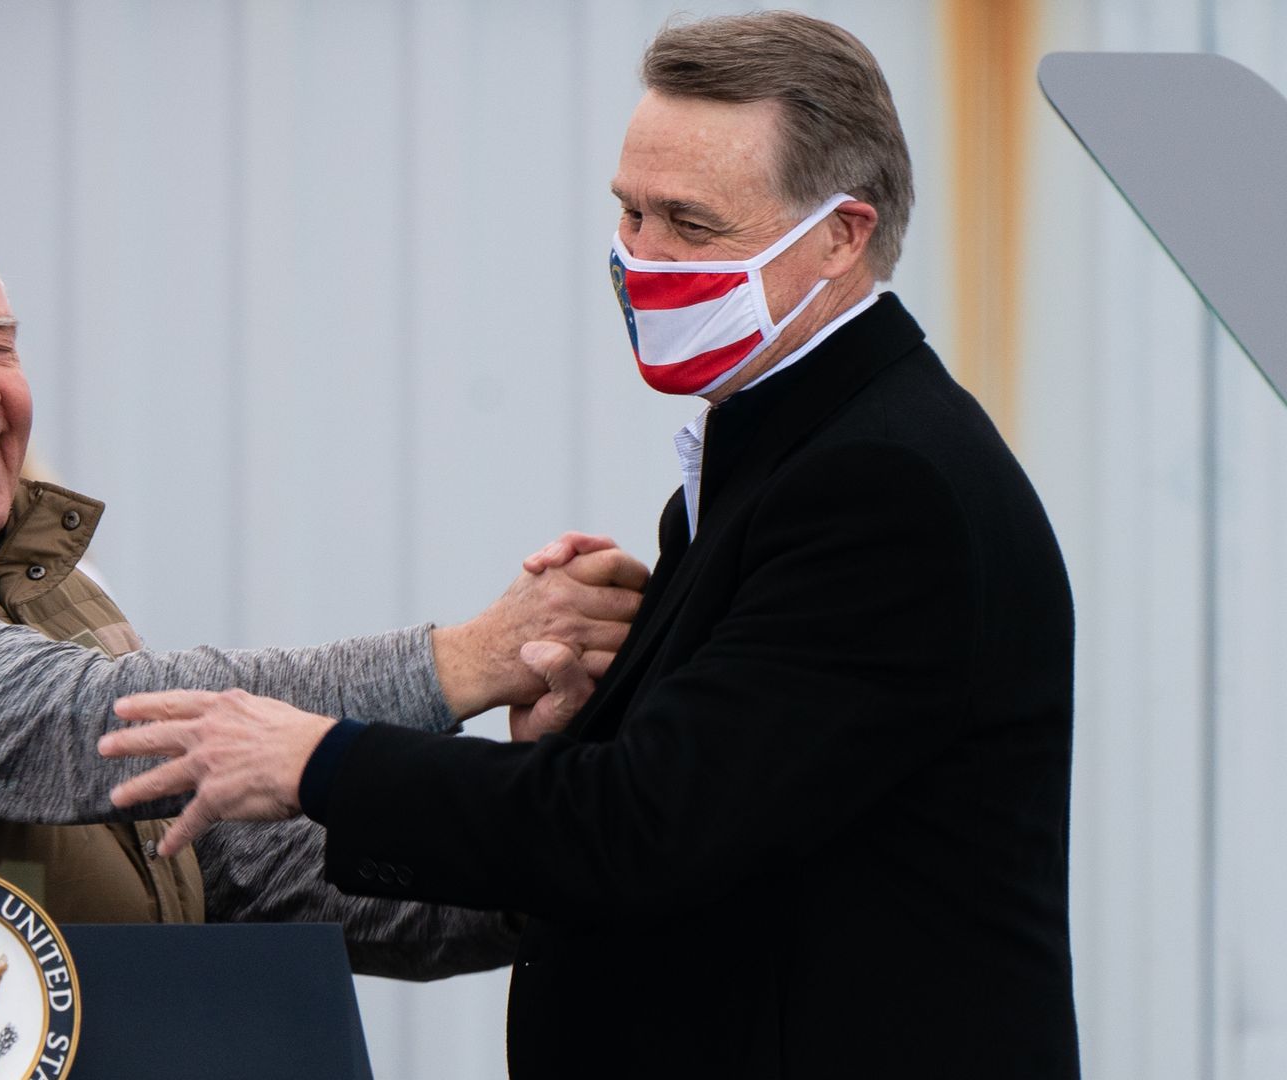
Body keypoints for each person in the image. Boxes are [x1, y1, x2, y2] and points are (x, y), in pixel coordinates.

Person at [100, 11, 1080, 1077]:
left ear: (843, 235)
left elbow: (645, 832)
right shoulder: (774, 451)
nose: (640, 257)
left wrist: (320, 760)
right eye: (629, 211)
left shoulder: (882, 489)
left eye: (692, 226)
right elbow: (718, 808)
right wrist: (567, 741)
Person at [0, 211, 646, 982]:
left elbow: (247, 867)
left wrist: (539, 831)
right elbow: (84, 723)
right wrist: (466, 660)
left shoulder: (37, 591)